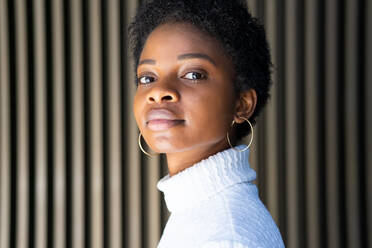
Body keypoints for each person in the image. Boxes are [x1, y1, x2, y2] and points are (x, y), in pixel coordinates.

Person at [128, 0, 285, 247]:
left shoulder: (227, 236)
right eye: (148, 78)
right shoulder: (200, 212)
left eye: (193, 75)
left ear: (241, 104)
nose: (159, 92)